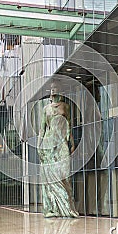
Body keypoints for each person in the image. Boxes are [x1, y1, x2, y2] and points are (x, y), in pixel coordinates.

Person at [37, 82, 79, 218]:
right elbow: (42, 129)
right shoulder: (46, 109)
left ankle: (68, 207)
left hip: (61, 143)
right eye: (51, 88)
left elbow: (69, 126)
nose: (52, 90)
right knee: (49, 177)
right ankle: (52, 208)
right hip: (48, 144)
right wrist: (39, 145)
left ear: (60, 90)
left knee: (65, 175)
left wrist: (72, 143)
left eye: (55, 87)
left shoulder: (65, 106)